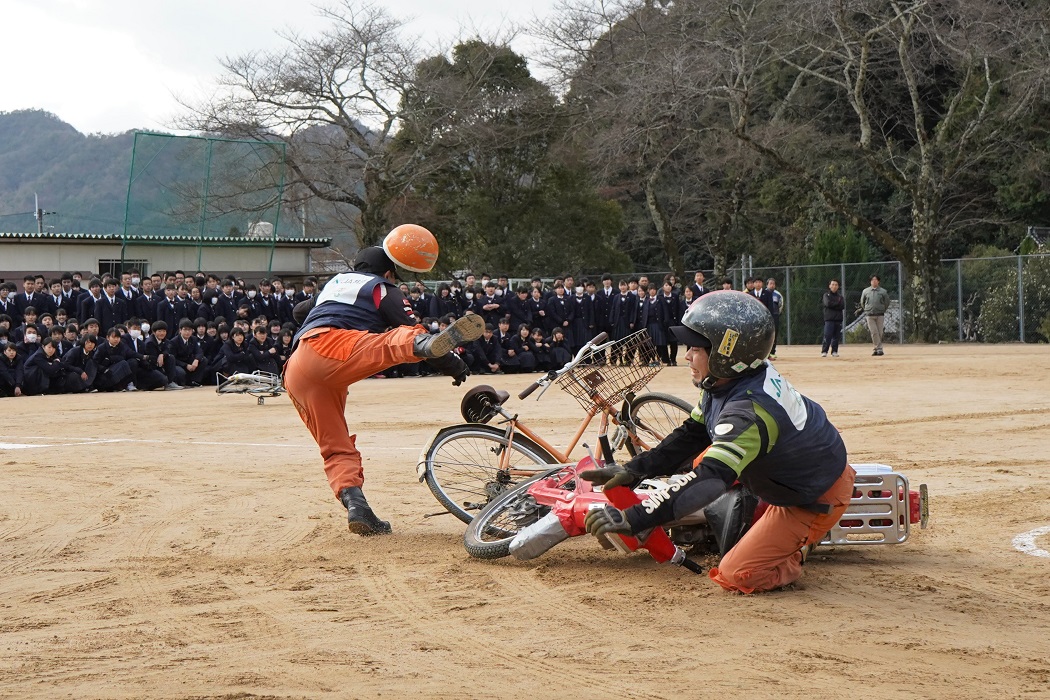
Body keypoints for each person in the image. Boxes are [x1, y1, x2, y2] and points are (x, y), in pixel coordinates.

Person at [581, 290, 854, 594]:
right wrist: (635, 470)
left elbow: (710, 480)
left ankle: (799, 550)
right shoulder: (727, 382)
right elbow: (693, 433)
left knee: (736, 574)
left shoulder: (748, 411)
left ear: (725, 355)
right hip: (797, 469)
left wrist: (635, 517)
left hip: (812, 498)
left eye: (694, 348)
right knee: (703, 462)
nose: (685, 356)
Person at [282, 225, 483, 536]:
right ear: (389, 273)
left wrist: (323, 306)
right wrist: (453, 365)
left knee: (335, 447)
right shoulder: (382, 288)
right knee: (399, 338)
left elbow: (298, 312)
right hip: (332, 349)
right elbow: (404, 323)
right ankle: (422, 345)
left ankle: (357, 506)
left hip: (297, 368)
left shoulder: (333, 286)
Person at [861, 275, 890, 356]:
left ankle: (876, 349)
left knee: (879, 332)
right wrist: (867, 309)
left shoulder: (883, 291)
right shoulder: (865, 291)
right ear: (870, 281)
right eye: (872, 280)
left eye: (875, 280)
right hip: (869, 314)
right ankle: (879, 348)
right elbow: (862, 302)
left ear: (878, 281)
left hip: (880, 314)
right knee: (874, 332)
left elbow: (887, 302)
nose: (874, 281)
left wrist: (882, 309)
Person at [759, 278, 783, 360]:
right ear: (767, 284)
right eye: (770, 283)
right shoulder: (763, 293)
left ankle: (772, 352)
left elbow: (780, 305)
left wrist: (776, 313)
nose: (772, 285)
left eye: (773, 284)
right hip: (765, 317)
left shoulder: (778, 294)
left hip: (775, 315)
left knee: (774, 334)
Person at [821, 279, 845, 357]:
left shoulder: (840, 296)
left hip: (838, 319)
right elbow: (827, 304)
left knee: (836, 336)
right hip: (829, 319)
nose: (834, 286)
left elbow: (842, 306)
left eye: (836, 285)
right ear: (829, 286)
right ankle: (824, 351)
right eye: (833, 284)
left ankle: (834, 351)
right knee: (827, 335)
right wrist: (836, 304)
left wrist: (833, 304)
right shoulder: (826, 295)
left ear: (838, 286)